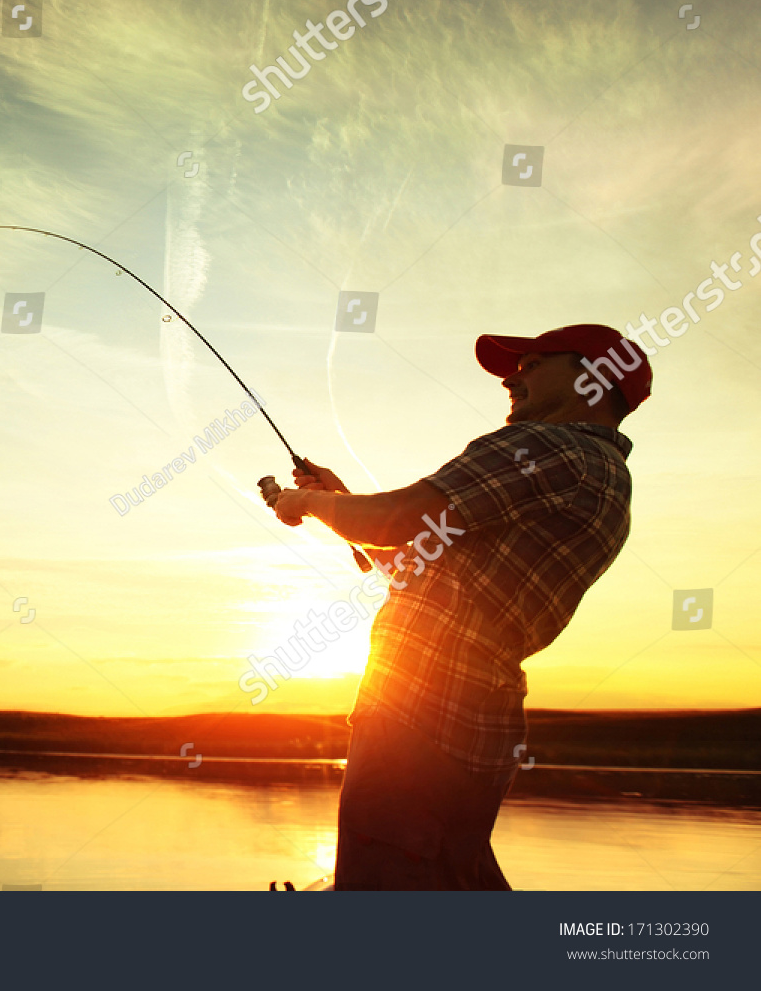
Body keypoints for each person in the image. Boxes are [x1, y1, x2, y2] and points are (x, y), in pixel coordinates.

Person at [260, 324, 651, 889]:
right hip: (480, 722)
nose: (513, 377)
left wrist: (308, 502)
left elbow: (398, 521)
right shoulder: (608, 480)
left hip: (419, 710)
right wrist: (340, 501)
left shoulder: (545, 447)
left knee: (380, 886)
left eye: (534, 363)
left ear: (592, 376)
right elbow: (417, 563)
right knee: (452, 877)